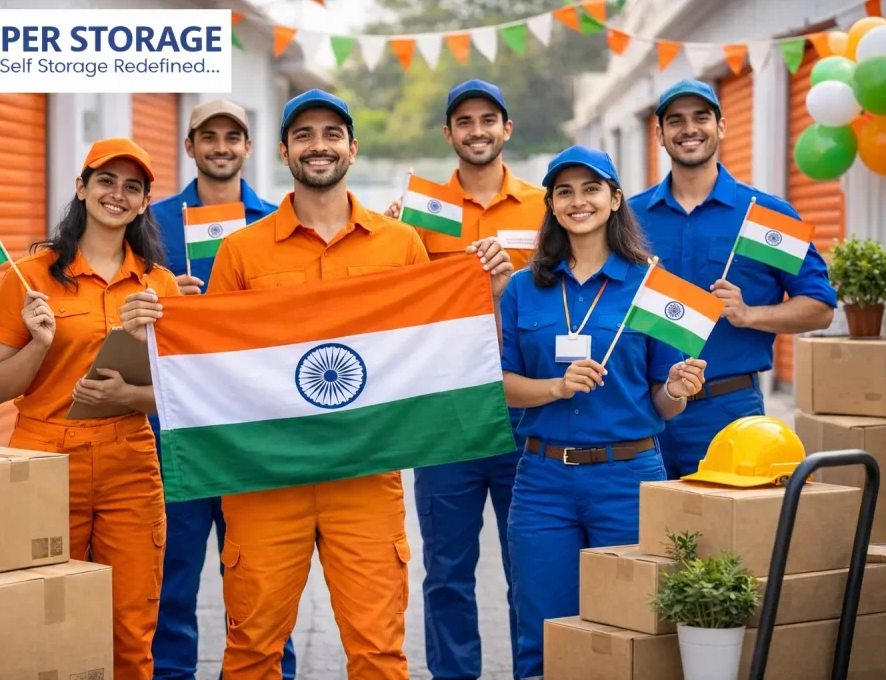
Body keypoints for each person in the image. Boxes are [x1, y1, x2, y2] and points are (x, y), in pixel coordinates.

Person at [119, 89, 513, 680]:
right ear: (282, 151)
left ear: (352, 148)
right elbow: (213, 368)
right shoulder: (239, 251)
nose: (319, 145)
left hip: (365, 477)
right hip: (266, 481)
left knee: (379, 652)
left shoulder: (400, 244)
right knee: (252, 651)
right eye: (304, 135)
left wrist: (487, 297)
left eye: (332, 134)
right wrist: (160, 326)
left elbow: (432, 348)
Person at [499, 145, 707, 679]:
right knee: (540, 634)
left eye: (591, 189)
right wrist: (554, 387)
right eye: (564, 192)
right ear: (551, 205)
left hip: (628, 479)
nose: (578, 201)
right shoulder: (525, 288)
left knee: (630, 632)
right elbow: (498, 386)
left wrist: (680, 389)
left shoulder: (649, 286)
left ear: (615, 199)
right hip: (543, 482)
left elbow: (662, 399)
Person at [0, 138, 181, 680]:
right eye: (106, 180)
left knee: (131, 627)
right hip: (43, 458)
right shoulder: (32, 276)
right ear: (81, 187)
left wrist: (129, 396)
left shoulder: (159, 287)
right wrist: (39, 344)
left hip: (130, 462)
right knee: (41, 619)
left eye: (131, 187)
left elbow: (184, 394)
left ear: (143, 203)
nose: (117, 194)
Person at [385, 78, 545, 680]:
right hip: (444, 412)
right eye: (464, 121)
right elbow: (394, 296)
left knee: (526, 562)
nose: (477, 131)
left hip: (522, 409)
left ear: (506, 129)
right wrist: (390, 231)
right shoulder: (417, 213)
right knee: (447, 569)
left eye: (488, 120)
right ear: (449, 133)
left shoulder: (544, 205)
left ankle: (532, 670)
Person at [147, 99, 296, 680]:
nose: (221, 146)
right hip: (177, 431)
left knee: (261, 581)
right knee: (173, 580)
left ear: (249, 147)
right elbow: (125, 309)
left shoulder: (277, 220)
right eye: (208, 136)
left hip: (250, 433)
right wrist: (163, 306)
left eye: (233, 136)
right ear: (190, 146)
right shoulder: (151, 222)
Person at [628, 79, 836, 479]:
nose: (689, 128)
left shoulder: (766, 216)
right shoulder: (630, 219)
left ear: (721, 127)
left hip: (727, 409)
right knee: (643, 540)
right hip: (643, 410)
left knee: (727, 539)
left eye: (701, 117)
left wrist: (750, 314)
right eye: (676, 120)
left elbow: (821, 308)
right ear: (659, 134)